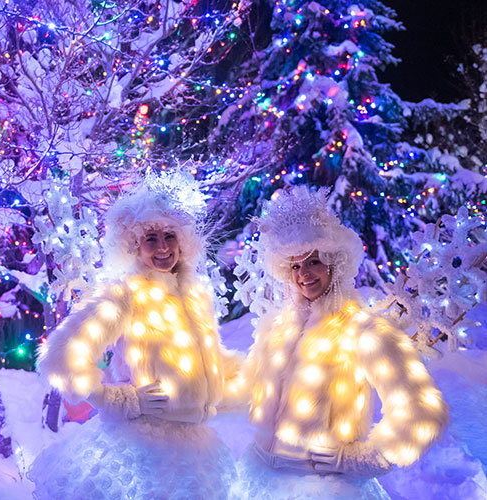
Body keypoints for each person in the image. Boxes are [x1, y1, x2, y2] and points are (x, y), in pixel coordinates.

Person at [223, 186, 449, 500]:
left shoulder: (363, 330)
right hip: (259, 480)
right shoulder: (277, 328)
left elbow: (422, 410)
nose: (304, 275)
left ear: (335, 263)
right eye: (296, 266)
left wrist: (361, 459)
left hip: (319, 488)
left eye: (313, 262)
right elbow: (245, 388)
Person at [29, 175, 241, 500]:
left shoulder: (196, 297)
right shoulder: (124, 295)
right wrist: (120, 400)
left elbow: (206, 366)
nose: (163, 248)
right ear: (133, 245)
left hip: (196, 451)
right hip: (143, 450)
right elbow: (60, 359)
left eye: (170, 236)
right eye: (150, 238)